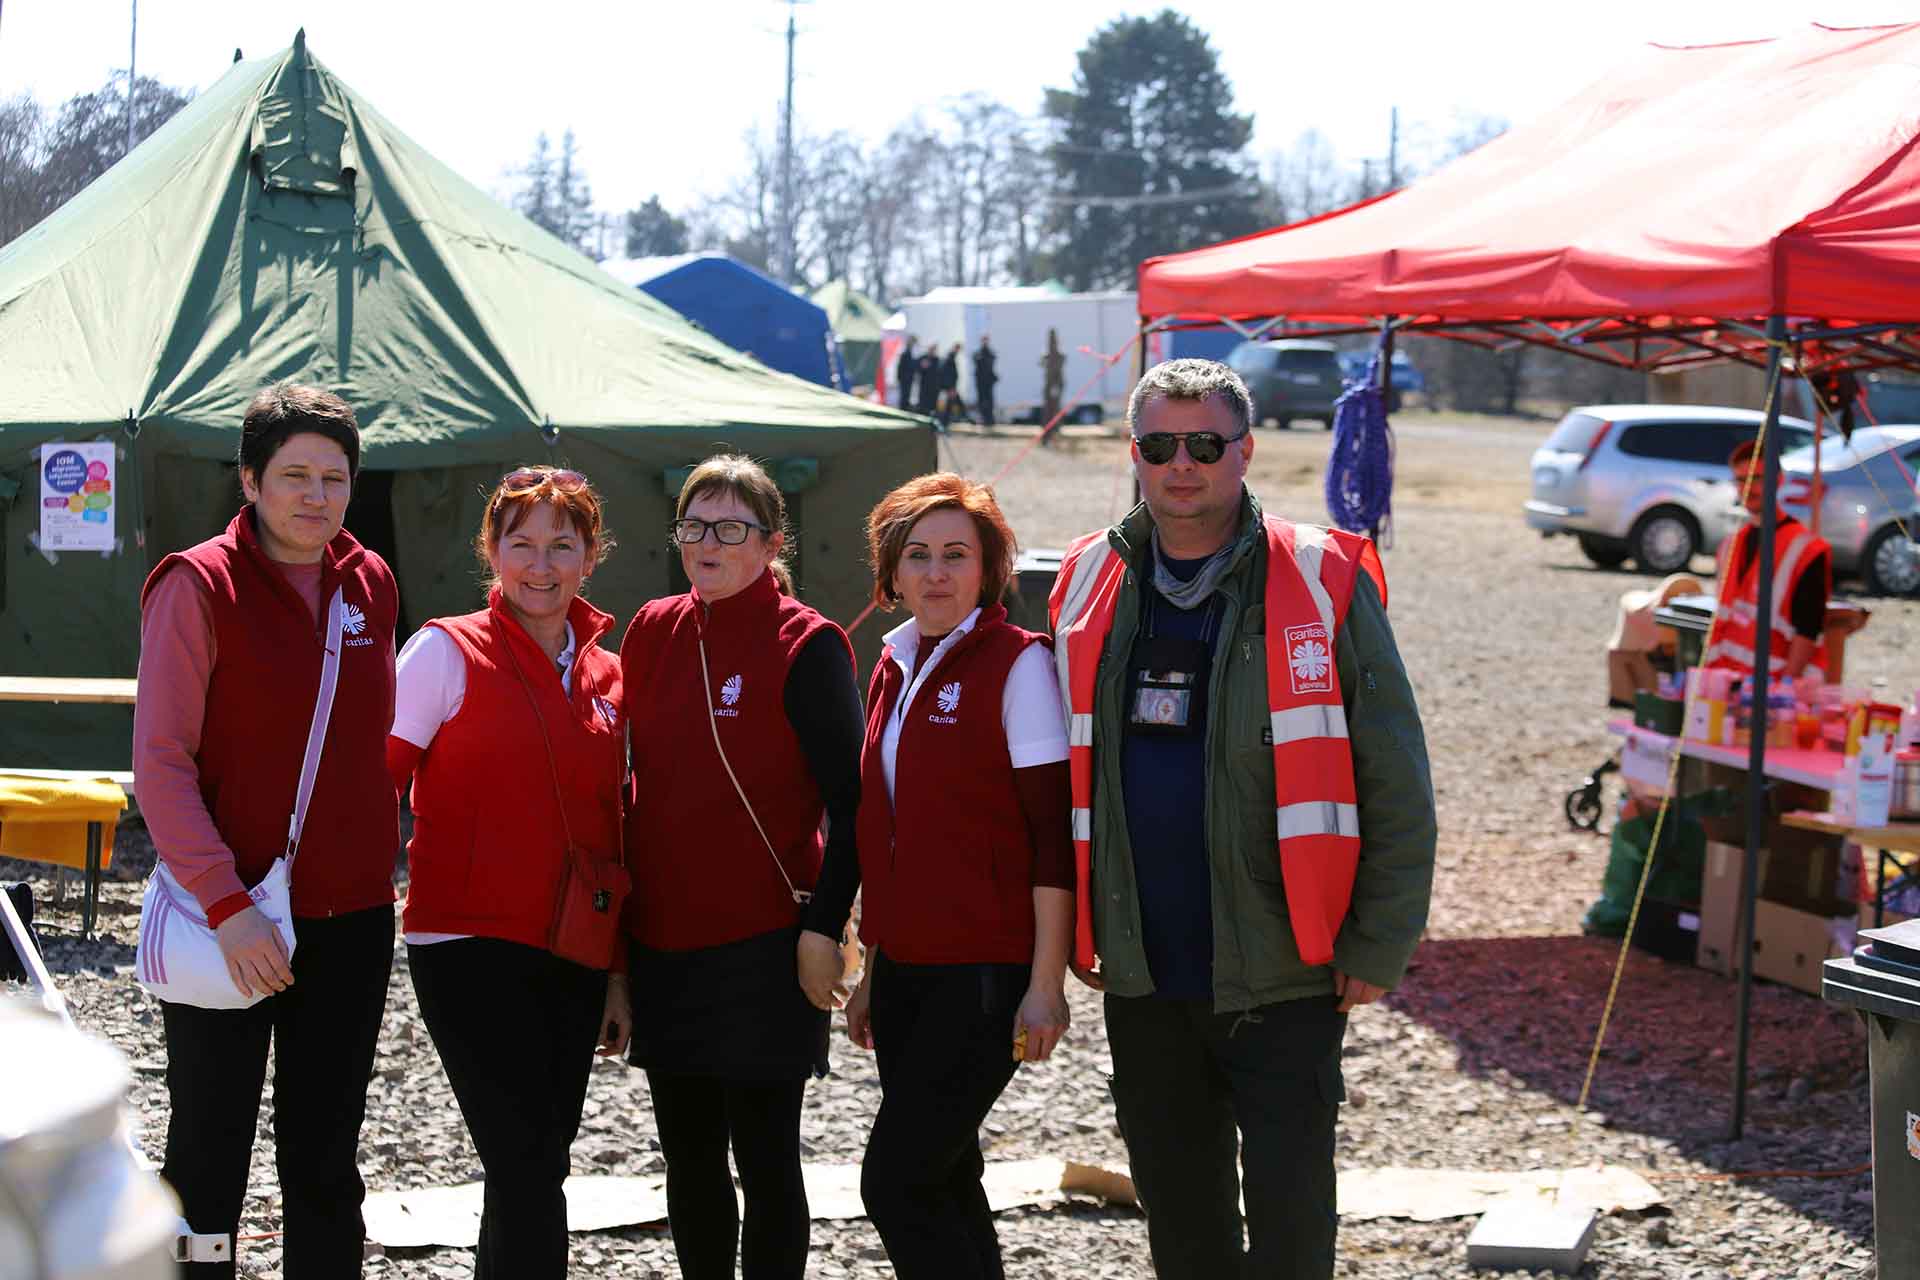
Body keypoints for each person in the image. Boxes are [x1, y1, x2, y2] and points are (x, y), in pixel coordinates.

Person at [1047, 358, 1436, 1279]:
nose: (1183, 464)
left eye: (1206, 444)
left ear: (1246, 452)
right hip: (1144, 975)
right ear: (1133, 454)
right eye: (1160, 445)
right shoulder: (1084, 578)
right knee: (1183, 1228)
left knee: (1294, 1225)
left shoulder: (1322, 576)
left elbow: (1397, 776)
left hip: (1287, 969)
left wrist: (1377, 943)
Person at [132, 382, 399, 1279]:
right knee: (209, 1152)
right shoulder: (195, 585)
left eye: (334, 476)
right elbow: (161, 763)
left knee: (326, 1159)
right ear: (249, 480)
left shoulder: (370, 582)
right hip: (229, 919)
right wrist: (225, 903)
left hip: (352, 917)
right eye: (294, 475)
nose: (316, 496)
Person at [798, 473, 1073, 1279]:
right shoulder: (892, 664)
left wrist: (1046, 984)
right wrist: (874, 969)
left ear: (990, 570)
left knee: (894, 1184)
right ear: (891, 572)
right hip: (909, 973)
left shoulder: (1019, 666)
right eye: (917, 555)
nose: (937, 572)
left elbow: (1051, 839)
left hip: (985, 977)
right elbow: (885, 833)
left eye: (957, 554)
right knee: (951, 1178)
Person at [619, 454, 865, 1280]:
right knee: (687, 1161)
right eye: (694, 526)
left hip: (768, 942)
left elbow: (855, 803)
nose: (708, 543)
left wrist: (823, 929)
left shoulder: (809, 643)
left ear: (772, 541)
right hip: (664, 941)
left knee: (766, 1162)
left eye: (732, 528)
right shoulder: (650, 628)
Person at [386, 466, 628, 1279]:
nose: (540, 564)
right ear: (490, 550)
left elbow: (618, 829)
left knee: (538, 1166)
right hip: (468, 943)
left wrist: (621, 972)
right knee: (525, 1161)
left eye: (562, 545)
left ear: (591, 556)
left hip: (576, 946)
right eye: (520, 543)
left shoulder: (611, 675)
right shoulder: (443, 651)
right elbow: (369, 787)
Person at [1702, 439, 1836, 679]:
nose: (1747, 488)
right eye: (1741, 480)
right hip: (1728, 682)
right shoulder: (1729, 547)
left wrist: (1782, 689)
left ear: (1779, 480)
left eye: (1757, 478)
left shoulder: (1807, 549)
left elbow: (1807, 629)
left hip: (1777, 689)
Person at [1039, 328, 1066, 444]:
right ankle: (1047, 437)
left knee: (1054, 413)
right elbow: (1042, 364)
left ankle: (1054, 437)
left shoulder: (1058, 356)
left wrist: (1056, 387)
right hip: (1048, 388)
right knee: (1048, 413)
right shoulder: (1047, 355)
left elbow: (1058, 374)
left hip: (1055, 387)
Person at [936, 342, 963, 431]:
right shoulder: (950, 358)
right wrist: (951, 388)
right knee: (947, 407)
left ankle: (945, 423)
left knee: (948, 406)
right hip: (948, 388)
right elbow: (948, 375)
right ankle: (943, 423)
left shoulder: (950, 358)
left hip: (948, 387)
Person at [972, 335, 998, 426]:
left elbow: (991, 361)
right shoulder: (978, 353)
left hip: (988, 382)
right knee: (981, 402)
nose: (985, 342)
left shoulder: (990, 353)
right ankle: (983, 420)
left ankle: (990, 420)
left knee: (989, 402)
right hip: (980, 382)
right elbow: (976, 360)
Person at [917, 344, 943, 417]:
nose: (932, 351)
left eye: (934, 349)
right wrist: (922, 366)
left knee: (933, 405)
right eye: (931, 349)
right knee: (923, 405)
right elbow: (918, 370)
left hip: (934, 387)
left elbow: (940, 373)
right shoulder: (923, 358)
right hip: (924, 386)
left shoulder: (937, 359)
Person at [895, 337, 919, 412]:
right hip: (905, 378)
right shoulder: (906, 353)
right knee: (904, 395)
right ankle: (902, 410)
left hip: (908, 378)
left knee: (906, 395)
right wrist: (899, 377)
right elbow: (901, 366)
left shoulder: (912, 353)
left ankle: (904, 409)